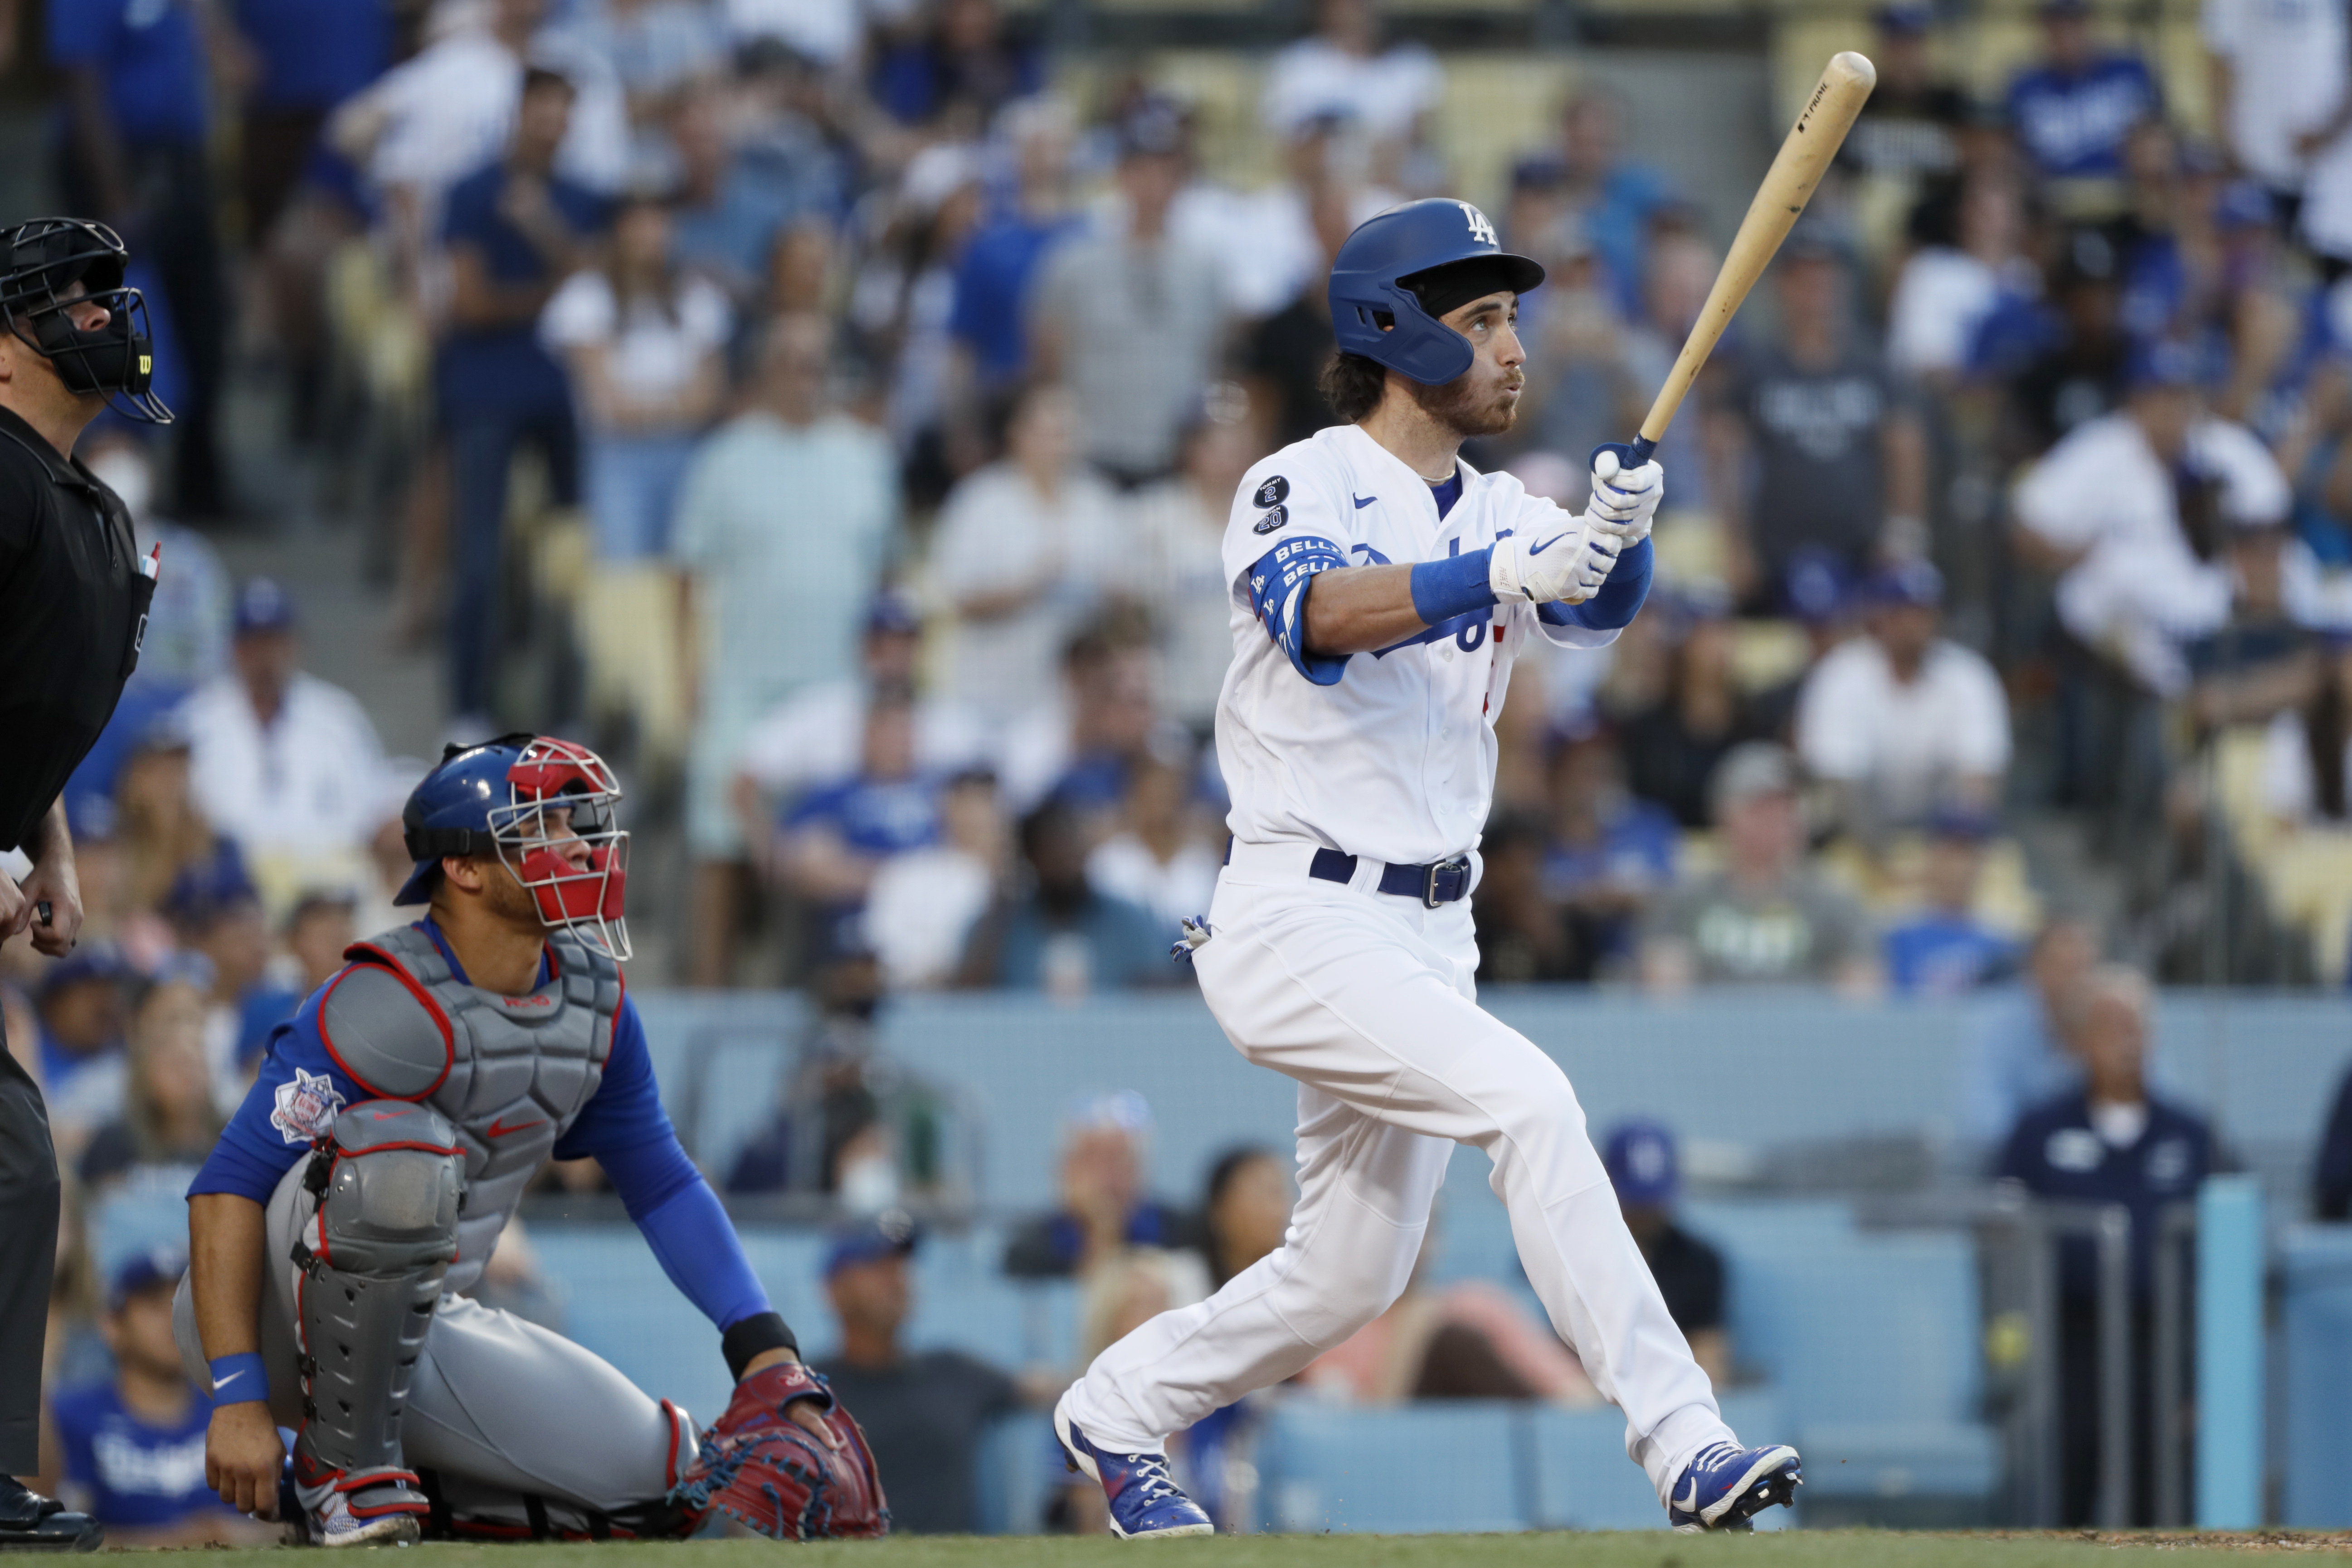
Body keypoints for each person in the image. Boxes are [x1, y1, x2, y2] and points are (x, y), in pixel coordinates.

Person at [1047, 198, 1799, 1539]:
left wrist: (1615, 538)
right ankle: (1683, 1436)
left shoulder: (1503, 501)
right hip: (1296, 912)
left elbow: (1590, 604)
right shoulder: (1299, 477)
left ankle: (1114, 1407)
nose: (1513, 347)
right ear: (1393, 331)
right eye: (1484, 321)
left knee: (1344, 1277)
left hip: (1427, 935)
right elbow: (1324, 613)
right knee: (1530, 1103)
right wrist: (1510, 560)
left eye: (1512, 318)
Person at [179, 735, 851, 1544]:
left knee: (678, 1482)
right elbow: (228, 1186)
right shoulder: (374, 1001)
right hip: (264, 1327)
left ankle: (425, 1494)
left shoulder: (594, 999)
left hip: (426, 1331)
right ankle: (336, 1474)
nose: (577, 846)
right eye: (544, 830)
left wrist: (762, 1344)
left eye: (576, 825)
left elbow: (663, 1181)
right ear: (463, 868)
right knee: (398, 1148)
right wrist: (238, 1394)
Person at [0, 221, 171, 1549]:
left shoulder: (85, 503)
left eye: (102, 290)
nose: (94, 310)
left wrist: (45, 843)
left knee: (11, 1172)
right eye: (61, 296)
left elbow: (16, 712)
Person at [671, 313, 899, 986]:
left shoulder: (866, 456)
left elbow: (886, 576)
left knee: (836, 834)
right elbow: (687, 577)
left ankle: (829, 988)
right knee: (720, 836)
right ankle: (709, 991)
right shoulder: (724, 457)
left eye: (817, 361)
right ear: (767, 370)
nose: (806, 374)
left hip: (837, 685)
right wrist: (688, 675)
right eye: (792, 360)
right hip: (742, 682)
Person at [1997, 966, 2220, 1525]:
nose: (2123, 1038)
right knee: (2059, 1501)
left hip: (2159, 1348)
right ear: (2078, 1038)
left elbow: (2220, 1260)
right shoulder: (2039, 1131)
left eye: (2134, 1024)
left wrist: (2200, 1374)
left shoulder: (2192, 1137)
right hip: (2066, 1346)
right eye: (2108, 1024)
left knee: (2160, 1504)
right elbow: (2000, 1241)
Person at [438, 66, 609, 731]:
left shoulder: (582, 195)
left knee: (575, 559)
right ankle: (467, 708)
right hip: (486, 388)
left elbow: (601, 282)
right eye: (542, 109)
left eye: (563, 112)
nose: (551, 124)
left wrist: (543, 233)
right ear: (520, 111)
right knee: (478, 556)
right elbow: (472, 304)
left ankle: (568, 708)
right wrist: (558, 290)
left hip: (567, 392)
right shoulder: (472, 190)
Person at [1716, 233, 1928, 599]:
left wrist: (1904, 530)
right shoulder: (1755, 367)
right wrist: (1736, 544)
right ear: (1780, 285)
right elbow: (1723, 455)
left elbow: (1904, 446)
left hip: (1864, 547)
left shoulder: (1871, 363)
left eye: (1825, 276)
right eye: (1803, 278)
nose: (1815, 288)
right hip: (1776, 548)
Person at [1029, 100, 1227, 487]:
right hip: (1090, 461)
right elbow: (1047, 358)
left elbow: (1214, 361)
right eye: (1142, 171)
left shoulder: (1206, 271)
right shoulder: (1073, 265)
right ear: (1121, 176)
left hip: (1175, 465)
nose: (1154, 185)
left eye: (1167, 172)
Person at [540, 191, 732, 562]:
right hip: (618, 458)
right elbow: (610, 407)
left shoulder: (697, 295)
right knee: (626, 574)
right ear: (617, 232)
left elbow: (710, 398)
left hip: (687, 454)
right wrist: (677, 403)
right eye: (638, 225)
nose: (650, 236)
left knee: (689, 568)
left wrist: (648, 406)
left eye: (659, 224)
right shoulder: (586, 297)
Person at [810, 1213, 1023, 1534]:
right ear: (833, 1289)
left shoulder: (954, 1372)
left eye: (900, 1267)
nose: (896, 1279)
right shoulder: (803, 1393)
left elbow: (1052, 1391)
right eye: (877, 1267)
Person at [178, 578, 391, 892]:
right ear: (235, 649)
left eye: (276, 643)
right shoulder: (195, 721)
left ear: (295, 646)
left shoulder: (340, 718)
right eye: (256, 644)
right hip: (233, 892)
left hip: (329, 890)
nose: (267, 656)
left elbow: (377, 808)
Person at [49, 1250, 273, 1546]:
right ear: (112, 1326)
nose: (173, 1320)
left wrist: (236, 1535)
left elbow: (296, 1523)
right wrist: (184, 1539)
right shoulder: (69, 1417)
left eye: (186, 1307)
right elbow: (54, 1538)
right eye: (155, 1305)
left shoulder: (240, 1411)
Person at [930, 383, 1121, 726]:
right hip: (991, 696)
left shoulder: (1098, 501)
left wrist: (1110, 596)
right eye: (1048, 431)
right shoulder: (979, 500)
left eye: (1066, 431)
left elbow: (1126, 595)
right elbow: (958, 599)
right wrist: (1029, 588)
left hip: (1073, 705)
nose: (1060, 442)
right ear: (1017, 433)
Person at [1795, 559, 2011, 840]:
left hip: (1944, 840)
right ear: (1880, 616)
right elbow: (1839, 785)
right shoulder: (1841, 674)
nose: (1915, 625)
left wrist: (1945, 851)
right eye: (1903, 613)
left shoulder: (1969, 676)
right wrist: (1883, 859)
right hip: (1851, 837)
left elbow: (1980, 782)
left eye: (1925, 613)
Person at [1640, 742, 1879, 993]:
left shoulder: (1835, 904)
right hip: (1711, 1031)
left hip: (1807, 1031)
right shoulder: (1684, 902)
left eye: (1788, 806)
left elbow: (1863, 1002)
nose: (1778, 819)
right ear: (1724, 816)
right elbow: (1665, 1002)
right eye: (1761, 807)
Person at [953, 800, 1175, 995]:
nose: (1066, 863)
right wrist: (1001, 904)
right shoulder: (998, 927)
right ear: (1030, 859)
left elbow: (1159, 997)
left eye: (1073, 850)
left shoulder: (1128, 920)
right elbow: (966, 1002)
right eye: (1053, 852)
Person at [1003, 1093, 1201, 1281]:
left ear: (1141, 1169)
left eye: (1118, 1159)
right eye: (1091, 1159)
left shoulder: (1182, 1233)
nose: (1104, 1175)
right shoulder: (1031, 1246)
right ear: (1065, 1170)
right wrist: (1100, 1231)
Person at [76, 956, 224, 1191]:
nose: (188, 1074)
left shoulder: (232, 1143)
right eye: (174, 1063)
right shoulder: (113, 1143)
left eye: (195, 1063)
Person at [1601, 1121, 1731, 1386]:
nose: (1645, 1213)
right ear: (1606, 1183)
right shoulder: (1571, 1253)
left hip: (1667, 1394)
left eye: (1652, 1201)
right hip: (1576, 1393)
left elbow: (1709, 1358)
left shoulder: (1700, 1261)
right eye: (1634, 1201)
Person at [2006, 0, 2161, 189]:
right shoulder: (2025, 86)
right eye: (2058, 25)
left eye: (2075, 23)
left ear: (2091, 23)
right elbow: (2015, 152)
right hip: (2052, 200)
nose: (2067, 34)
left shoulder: (2129, 71)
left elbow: (2159, 134)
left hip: (2128, 193)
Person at [1883, 811, 2021, 997]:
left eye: (1969, 855)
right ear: (1931, 857)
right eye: (1950, 854)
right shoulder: (1896, 934)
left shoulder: (2003, 941)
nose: (1959, 867)